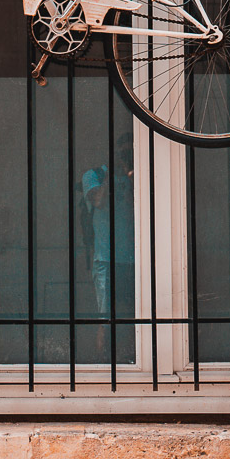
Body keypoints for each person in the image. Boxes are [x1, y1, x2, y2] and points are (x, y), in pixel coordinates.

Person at [79, 134, 135, 360]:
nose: (126, 157)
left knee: (135, 319)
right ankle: (103, 364)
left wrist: (131, 175)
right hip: (105, 260)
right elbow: (98, 201)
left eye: (129, 152)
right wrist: (112, 174)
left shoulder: (136, 176)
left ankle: (134, 361)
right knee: (105, 319)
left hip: (132, 260)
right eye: (122, 153)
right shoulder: (94, 175)